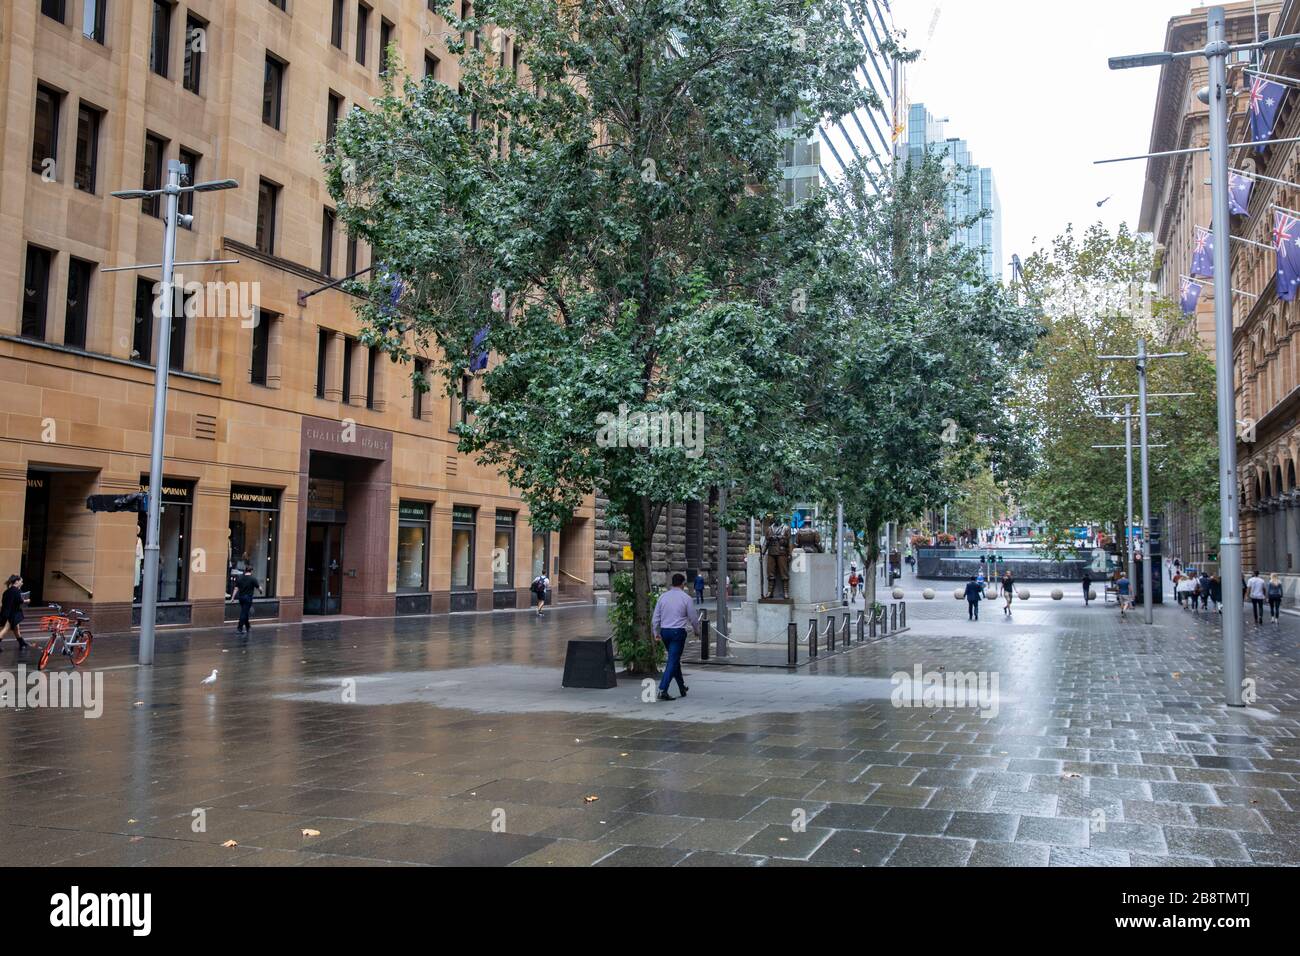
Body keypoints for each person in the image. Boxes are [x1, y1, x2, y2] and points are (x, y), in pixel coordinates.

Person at [651, 573, 698, 702]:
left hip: (665, 632)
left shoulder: (663, 597)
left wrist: (656, 632)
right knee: (672, 660)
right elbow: (693, 617)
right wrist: (696, 630)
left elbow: (655, 617)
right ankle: (663, 689)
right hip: (678, 632)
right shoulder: (686, 598)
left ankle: (682, 687)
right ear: (683, 584)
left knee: (674, 659)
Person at [0, 575, 30, 651]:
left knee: (16, 628)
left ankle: (21, 643)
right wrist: (26, 601)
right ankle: (22, 643)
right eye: (21, 581)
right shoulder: (16, 591)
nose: (22, 583)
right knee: (5, 629)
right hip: (12, 614)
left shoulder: (8, 591)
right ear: (17, 581)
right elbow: (19, 600)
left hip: (7, 612)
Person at [229, 568, 262, 634]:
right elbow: (258, 588)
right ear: (251, 571)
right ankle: (239, 629)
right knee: (244, 613)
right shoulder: (253, 579)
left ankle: (248, 627)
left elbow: (236, 589)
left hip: (241, 598)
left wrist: (232, 598)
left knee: (245, 612)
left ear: (245, 571)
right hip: (248, 598)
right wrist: (261, 591)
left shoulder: (240, 578)